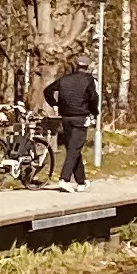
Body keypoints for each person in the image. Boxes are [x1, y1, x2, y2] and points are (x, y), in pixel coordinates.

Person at [47, 56, 100, 187]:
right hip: (80, 118)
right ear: (87, 67)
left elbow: (48, 91)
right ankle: (64, 179)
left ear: (75, 66)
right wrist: (95, 112)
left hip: (65, 118)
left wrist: (55, 104)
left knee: (73, 148)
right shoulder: (88, 80)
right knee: (74, 149)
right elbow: (93, 98)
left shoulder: (64, 79)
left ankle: (81, 181)